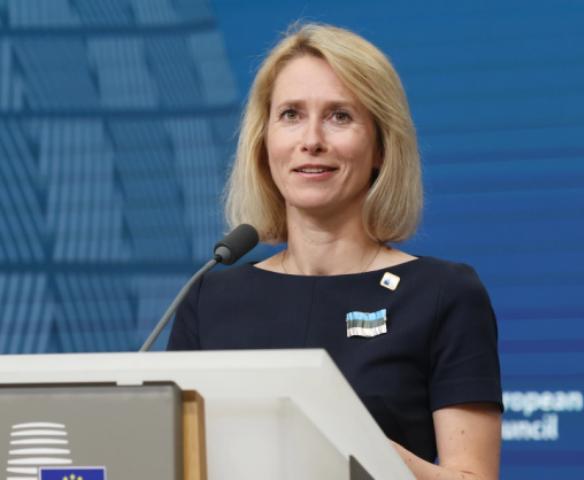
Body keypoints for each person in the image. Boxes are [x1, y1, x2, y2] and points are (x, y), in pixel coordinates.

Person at [168, 23, 502, 479]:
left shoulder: (443, 293)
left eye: (339, 116)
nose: (311, 140)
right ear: (264, 142)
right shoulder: (209, 299)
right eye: (291, 115)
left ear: (381, 146)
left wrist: (357, 444)